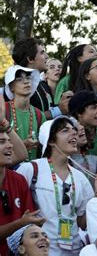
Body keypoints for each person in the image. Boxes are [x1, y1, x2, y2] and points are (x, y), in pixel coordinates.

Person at [16, 116, 94, 255]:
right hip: (42, 251)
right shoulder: (31, 169)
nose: (73, 133)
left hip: (74, 250)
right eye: (65, 130)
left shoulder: (81, 177)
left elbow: (84, 222)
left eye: (74, 130)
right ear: (51, 141)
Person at [0, 95, 36, 256]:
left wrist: (4, 123)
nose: (10, 145)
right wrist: (20, 223)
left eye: (9, 140)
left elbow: (21, 154)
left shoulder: (18, 180)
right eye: (2, 142)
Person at [4, 65, 46, 160]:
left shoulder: (39, 115)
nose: (26, 81)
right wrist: (23, 145)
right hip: (8, 171)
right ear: (11, 87)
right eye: (19, 79)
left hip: (32, 171)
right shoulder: (3, 111)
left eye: (28, 78)